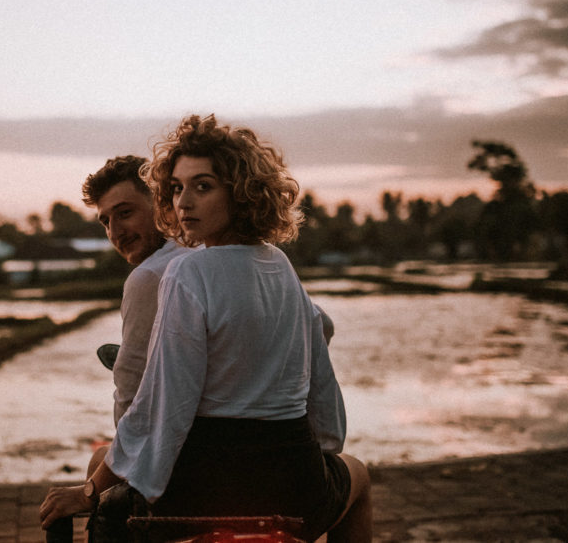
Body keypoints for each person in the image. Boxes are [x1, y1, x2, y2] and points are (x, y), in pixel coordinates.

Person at [41, 115, 371, 542]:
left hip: (204, 490)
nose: (184, 202)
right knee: (358, 476)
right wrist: (325, 441)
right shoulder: (279, 264)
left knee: (108, 505)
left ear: (240, 191)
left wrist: (90, 490)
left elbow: (164, 402)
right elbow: (321, 372)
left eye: (203, 186)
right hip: (296, 486)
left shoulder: (187, 271)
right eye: (176, 188)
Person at [80, 155, 190, 474]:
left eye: (125, 213)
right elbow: (321, 325)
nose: (116, 231)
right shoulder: (212, 253)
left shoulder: (150, 276)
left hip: (183, 464)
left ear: (161, 203)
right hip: (268, 452)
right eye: (105, 222)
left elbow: (130, 392)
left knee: (99, 463)